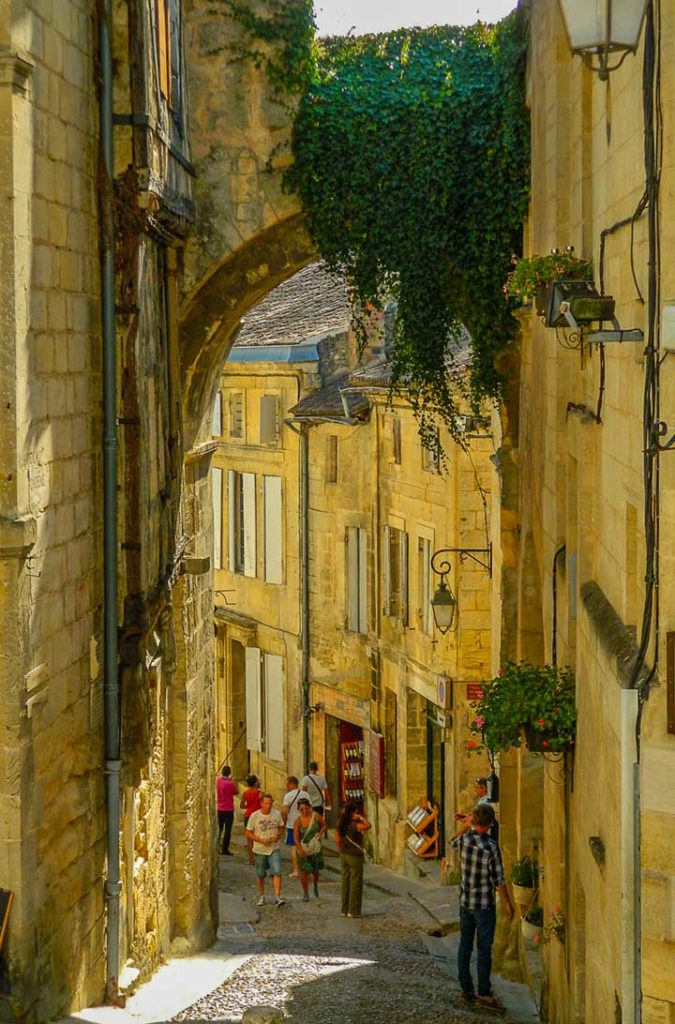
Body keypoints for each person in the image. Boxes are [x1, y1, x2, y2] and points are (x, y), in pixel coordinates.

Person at [450, 803, 514, 1014]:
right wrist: (507, 904)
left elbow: (452, 841)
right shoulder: (491, 847)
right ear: (490, 824)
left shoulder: (465, 840)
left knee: (465, 945)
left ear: (475, 821)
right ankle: (484, 992)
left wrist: (465, 825)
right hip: (484, 906)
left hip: (465, 902)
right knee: (484, 949)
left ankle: (466, 988)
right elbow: (498, 880)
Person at [246, 793, 286, 907]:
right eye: (266, 803)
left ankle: (278, 897)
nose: (268, 806)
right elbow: (248, 832)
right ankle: (262, 896)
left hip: (274, 848)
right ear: (261, 803)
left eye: (270, 803)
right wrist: (260, 840)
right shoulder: (254, 816)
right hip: (260, 849)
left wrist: (277, 836)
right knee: (260, 874)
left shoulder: (277, 814)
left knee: (277, 871)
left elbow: (281, 828)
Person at [335, 801, 371, 918]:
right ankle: (353, 910)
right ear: (353, 812)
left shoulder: (340, 823)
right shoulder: (354, 825)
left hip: (344, 854)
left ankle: (344, 909)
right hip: (354, 856)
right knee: (355, 882)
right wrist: (360, 817)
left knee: (345, 881)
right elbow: (368, 825)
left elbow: (338, 840)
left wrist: (342, 849)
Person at [293, 796, 327, 902]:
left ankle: (315, 884)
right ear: (299, 810)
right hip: (303, 849)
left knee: (315, 870)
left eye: (306, 808)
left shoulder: (316, 816)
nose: (304, 811)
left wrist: (320, 834)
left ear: (310, 807)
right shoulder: (297, 821)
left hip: (315, 848)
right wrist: (300, 850)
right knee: (303, 872)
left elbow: (324, 826)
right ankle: (305, 893)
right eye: (301, 809)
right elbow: (296, 838)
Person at [281, 775, 305, 878]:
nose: (286, 786)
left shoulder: (288, 796)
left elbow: (284, 811)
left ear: (291, 784)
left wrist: (283, 821)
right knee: (304, 846)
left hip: (292, 825)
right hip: (304, 824)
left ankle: (296, 870)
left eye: (287, 783)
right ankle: (305, 869)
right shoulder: (305, 795)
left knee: (294, 847)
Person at [216, 765, 239, 855]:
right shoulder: (230, 783)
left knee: (219, 829)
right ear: (229, 773)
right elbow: (236, 791)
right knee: (227, 830)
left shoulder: (218, 781)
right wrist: (231, 781)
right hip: (228, 809)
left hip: (220, 808)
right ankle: (225, 849)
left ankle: (217, 845)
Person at [240, 774, 262, 866]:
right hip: (258, 816)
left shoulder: (245, 793)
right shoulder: (260, 793)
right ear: (255, 783)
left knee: (249, 839)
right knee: (259, 837)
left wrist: (249, 806)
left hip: (248, 815)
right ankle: (261, 859)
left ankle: (251, 860)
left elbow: (242, 806)